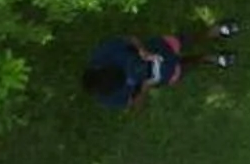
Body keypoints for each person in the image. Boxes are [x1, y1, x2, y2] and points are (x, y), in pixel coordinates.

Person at [83, 20, 239, 111]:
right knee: (186, 65)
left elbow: (128, 39)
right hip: (160, 75)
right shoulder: (109, 99)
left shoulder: (102, 55)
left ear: (102, 67)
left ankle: (214, 32)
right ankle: (210, 58)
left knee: (187, 40)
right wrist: (144, 88)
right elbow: (136, 106)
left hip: (157, 48)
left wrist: (142, 51)